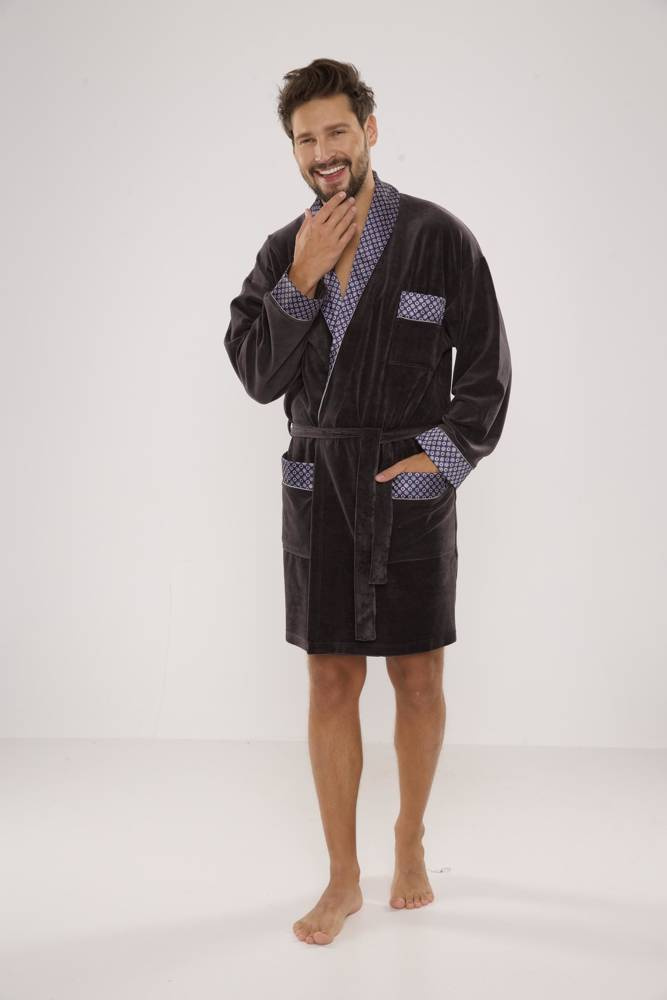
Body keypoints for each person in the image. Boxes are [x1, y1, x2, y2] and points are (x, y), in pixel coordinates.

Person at [224, 58, 512, 945]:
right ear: (293, 151)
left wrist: (438, 462)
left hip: (407, 487)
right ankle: (343, 877)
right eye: (305, 138)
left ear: (369, 131)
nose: (322, 151)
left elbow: (487, 372)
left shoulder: (438, 238)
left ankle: (410, 838)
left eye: (336, 131)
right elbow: (257, 377)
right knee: (329, 678)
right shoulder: (283, 250)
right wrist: (300, 280)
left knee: (417, 679)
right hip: (319, 485)